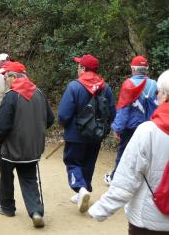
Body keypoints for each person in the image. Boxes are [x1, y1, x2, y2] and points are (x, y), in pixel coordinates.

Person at [88, 69, 169, 234]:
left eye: (158, 92)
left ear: (166, 95)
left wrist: (101, 210)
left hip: (148, 219)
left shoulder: (148, 131)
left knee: (123, 159)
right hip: (145, 123)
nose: (156, 96)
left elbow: (127, 179)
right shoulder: (151, 83)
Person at [0, 62, 55, 228]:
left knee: (6, 178)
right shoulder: (39, 93)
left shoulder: (12, 96)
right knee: (29, 179)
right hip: (33, 148)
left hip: (10, 148)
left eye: (6, 76)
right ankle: (36, 212)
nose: (5, 80)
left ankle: (7, 208)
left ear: (14, 76)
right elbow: (50, 119)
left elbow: (2, 125)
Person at [58, 54, 116, 213]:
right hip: (96, 135)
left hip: (75, 134)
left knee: (73, 162)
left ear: (83, 68)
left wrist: (65, 126)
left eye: (79, 66)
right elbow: (112, 113)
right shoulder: (106, 87)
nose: (78, 68)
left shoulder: (74, 86)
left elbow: (63, 114)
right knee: (88, 163)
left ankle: (80, 189)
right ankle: (84, 191)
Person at [104, 55, 158, 186]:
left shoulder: (129, 84)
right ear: (146, 69)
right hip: (150, 127)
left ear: (133, 69)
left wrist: (118, 128)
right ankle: (144, 182)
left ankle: (115, 177)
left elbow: (124, 108)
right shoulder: (154, 84)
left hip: (131, 128)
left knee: (124, 153)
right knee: (146, 154)